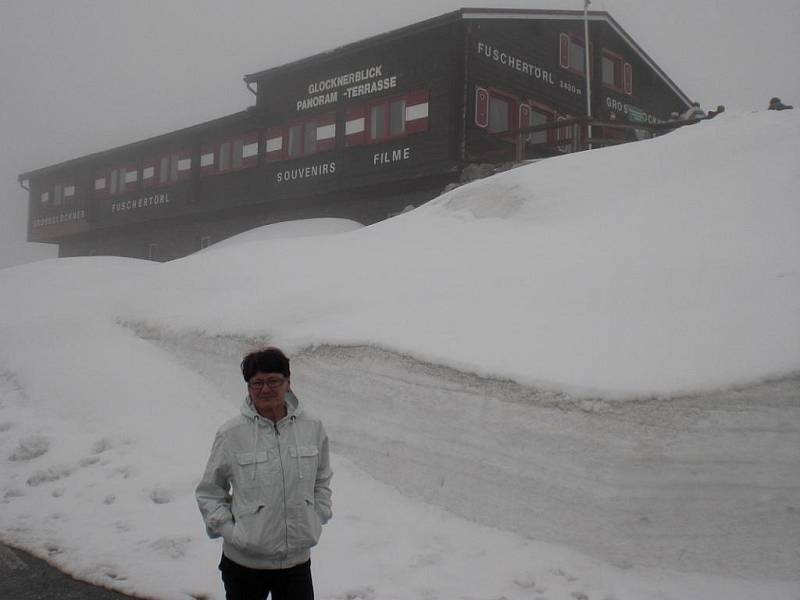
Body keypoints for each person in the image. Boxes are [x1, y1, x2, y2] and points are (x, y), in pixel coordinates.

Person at [196, 347, 333, 600]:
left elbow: (322, 479)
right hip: (244, 566)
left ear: (288, 383)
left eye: (273, 381)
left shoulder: (312, 427)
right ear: (248, 387)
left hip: (296, 563)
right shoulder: (231, 433)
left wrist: (317, 515)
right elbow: (210, 493)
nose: (265, 389)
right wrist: (233, 533)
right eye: (257, 383)